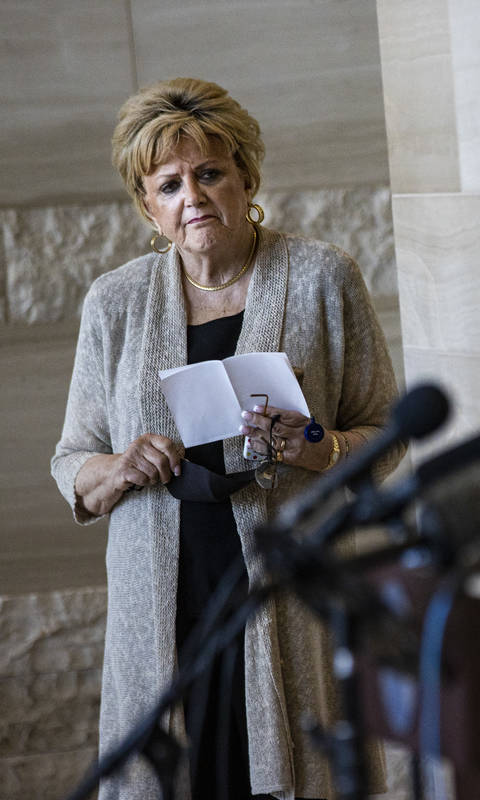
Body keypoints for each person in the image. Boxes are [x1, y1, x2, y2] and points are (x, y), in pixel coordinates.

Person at [51, 77, 402, 800]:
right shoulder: (115, 302)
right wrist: (119, 466)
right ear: (148, 205)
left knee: (286, 772)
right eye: (170, 184)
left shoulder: (319, 278)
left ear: (246, 176)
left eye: (210, 173)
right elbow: (72, 464)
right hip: (163, 594)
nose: (195, 197)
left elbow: (386, 430)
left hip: (282, 589)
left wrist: (315, 444)